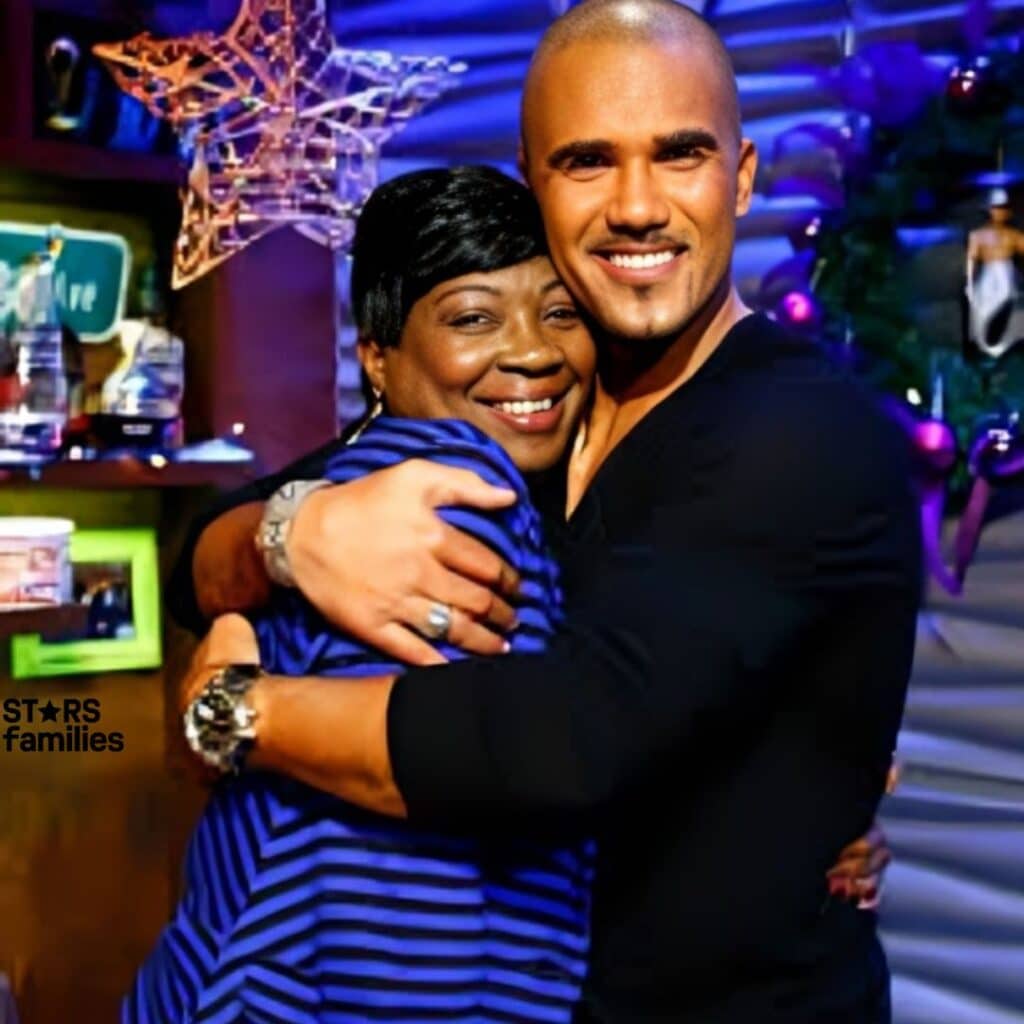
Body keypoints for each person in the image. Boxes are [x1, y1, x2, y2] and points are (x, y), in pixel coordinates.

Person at [171, 1, 919, 1020]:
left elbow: (561, 741)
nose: (637, 205)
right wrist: (288, 534)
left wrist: (242, 711)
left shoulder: (798, 435)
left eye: (679, 154)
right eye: (587, 161)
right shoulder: (545, 408)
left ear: (739, 178)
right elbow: (197, 557)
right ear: (537, 187)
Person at [131, 167, 597, 1024]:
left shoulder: (575, 488)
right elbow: (394, 898)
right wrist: (286, 535)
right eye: (472, 318)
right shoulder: (455, 493)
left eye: (561, 312)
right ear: (377, 356)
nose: (533, 350)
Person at [966, 186, 1024, 360]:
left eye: (1003, 208)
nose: (999, 212)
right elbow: (972, 260)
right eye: (996, 208)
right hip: (987, 275)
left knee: (1006, 301)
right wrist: (969, 284)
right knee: (982, 307)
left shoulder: (1014, 235)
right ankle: (984, 347)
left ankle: (1004, 345)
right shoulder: (978, 235)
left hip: (1006, 274)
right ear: (989, 210)